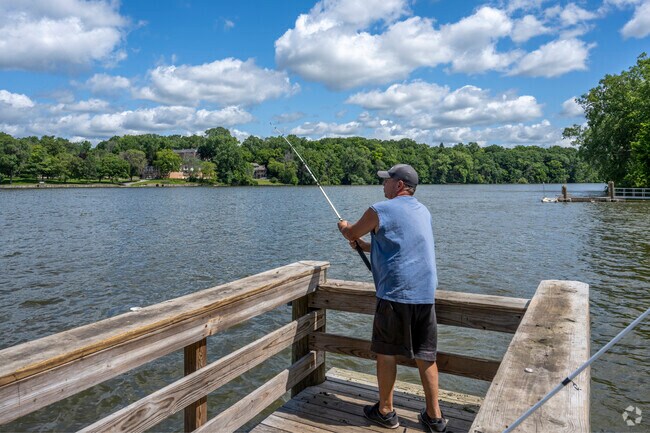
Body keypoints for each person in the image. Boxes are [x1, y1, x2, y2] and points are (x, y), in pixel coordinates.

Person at [337, 164, 446, 432]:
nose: (382, 185)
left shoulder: (380, 209)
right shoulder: (423, 210)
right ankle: (434, 418)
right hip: (424, 295)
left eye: (387, 181)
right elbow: (400, 244)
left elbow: (352, 231)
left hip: (395, 294)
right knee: (426, 356)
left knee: (386, 353)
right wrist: (364, 246)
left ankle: (385, 411)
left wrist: (344, 227)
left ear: (399, 185)